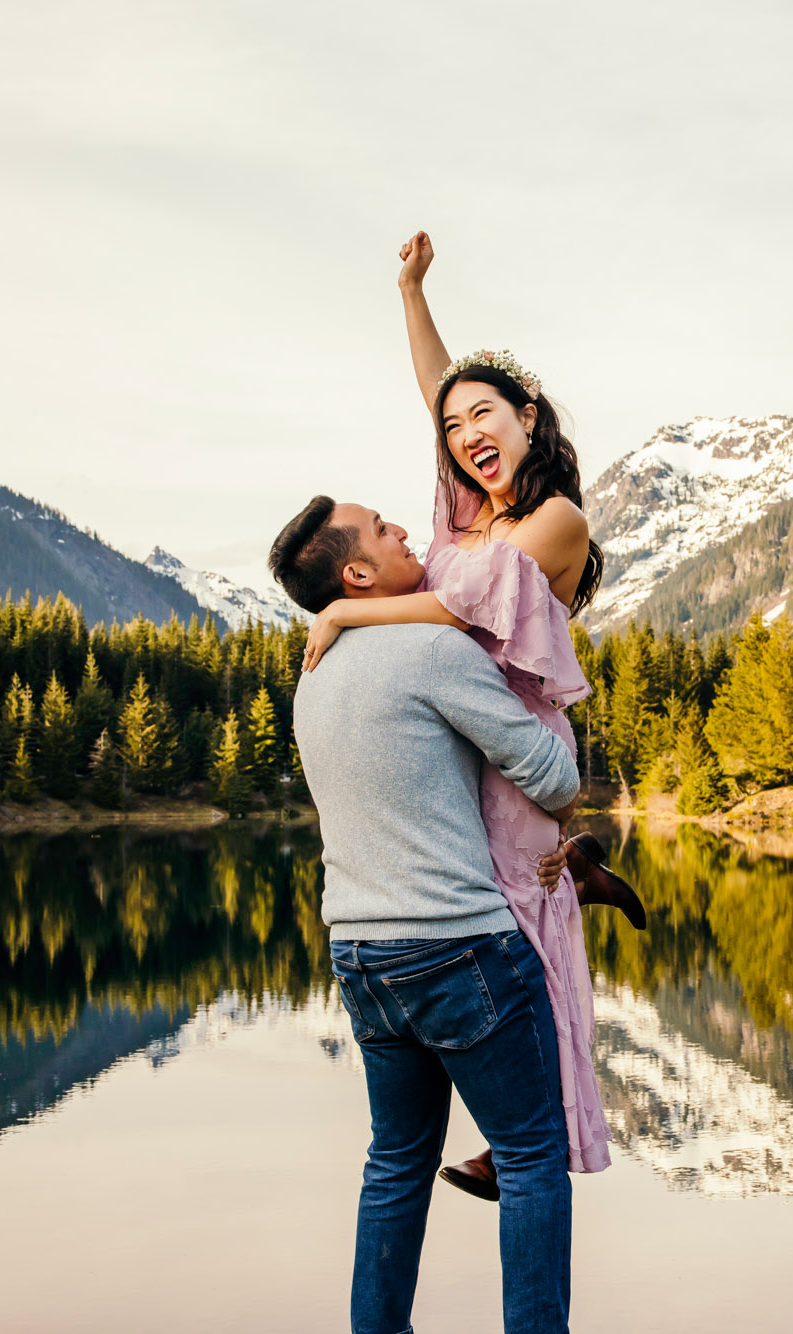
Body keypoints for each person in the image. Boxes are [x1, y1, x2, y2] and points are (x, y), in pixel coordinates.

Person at [295, 230, 641, 1202]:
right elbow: (439, 389)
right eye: (454, 433)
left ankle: (529, 1132)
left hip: (519, 749)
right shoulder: (463, 508)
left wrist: (348, 608)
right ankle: (514, 1119)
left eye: (486, 417)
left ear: (530, 417)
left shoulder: (555, 520)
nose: (464, 436)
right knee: (482, 938)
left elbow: (460, 609)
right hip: (465, 747)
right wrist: (409, 291)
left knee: (517, 938)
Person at [273, 495, 578, 1334]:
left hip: (361, 956)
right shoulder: (433, 651)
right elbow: (553, 780)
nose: (406, 530)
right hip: (457, 948)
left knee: (397, 1163)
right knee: (530, 1158)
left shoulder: (316, 675)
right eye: (383, 529)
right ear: (358, 574)